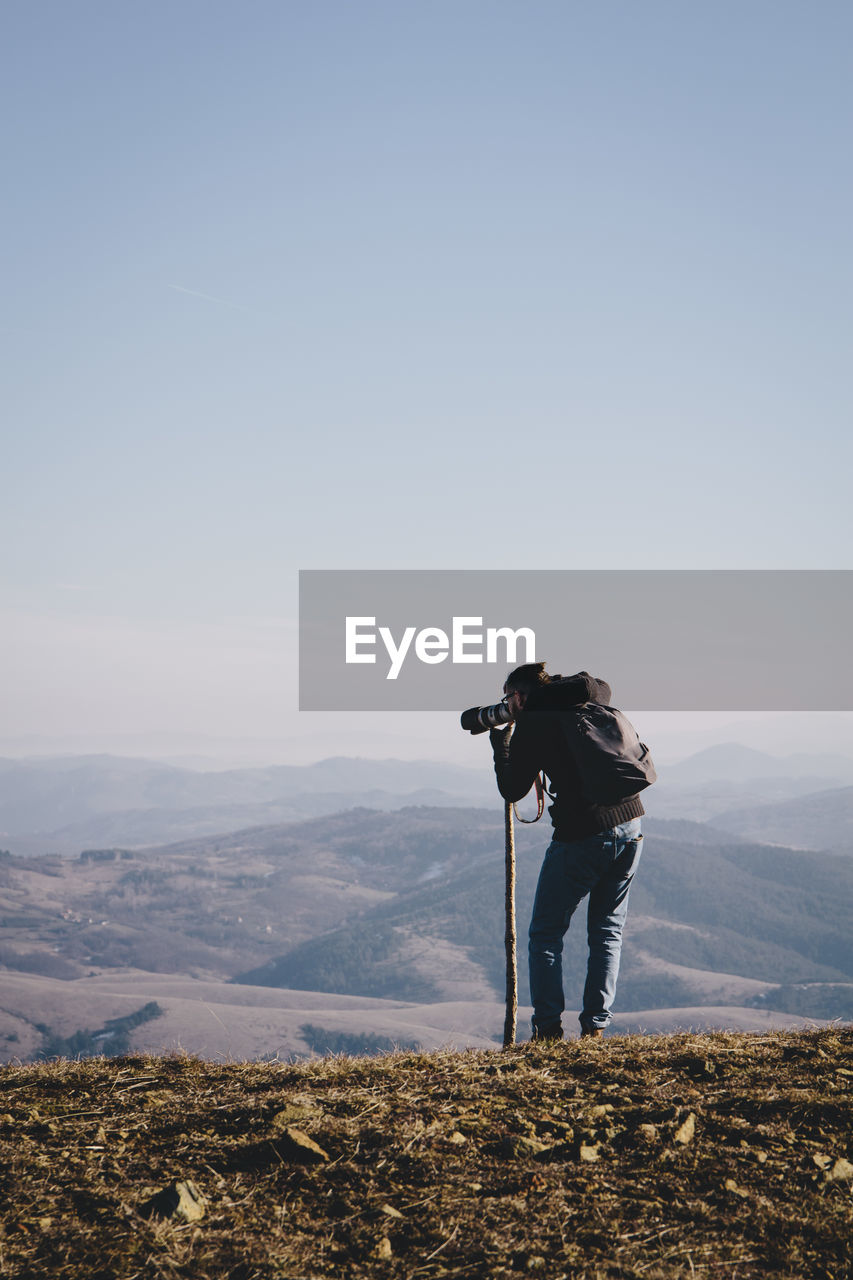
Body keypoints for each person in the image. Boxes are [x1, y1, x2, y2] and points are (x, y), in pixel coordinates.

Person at [489, 662, 645, 1041]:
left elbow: (513, 790)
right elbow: (599, 689)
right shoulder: (589, 699)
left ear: (521, 696)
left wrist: (502, 748)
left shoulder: (535, 723)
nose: (507, 705)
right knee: (608, 931)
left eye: (508, 697)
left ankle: (547, 1030)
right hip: (632, 824)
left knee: (545, 934)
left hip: (582, 834)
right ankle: (595, 1027)